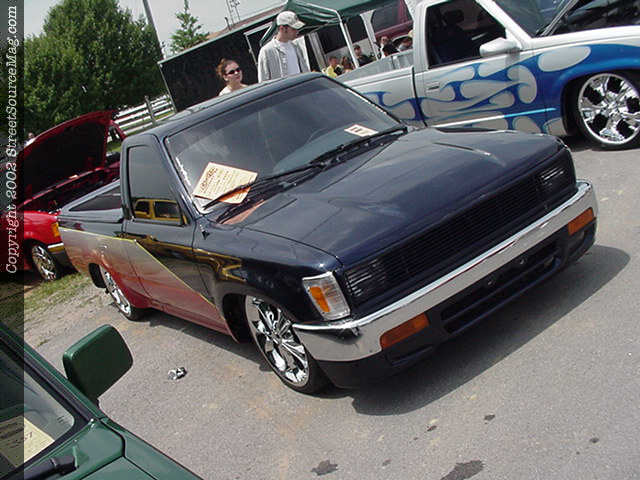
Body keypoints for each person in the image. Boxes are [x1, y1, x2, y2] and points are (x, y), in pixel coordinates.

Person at [258, 11, 309, 82]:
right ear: (282, 28)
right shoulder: (266, 51)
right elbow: (263, 81)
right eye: (293, 29)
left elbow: (304, 70)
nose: (297, 31)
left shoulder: (296, 46)